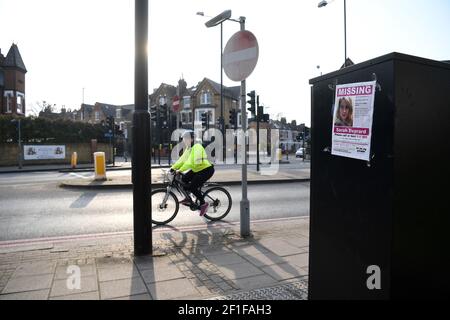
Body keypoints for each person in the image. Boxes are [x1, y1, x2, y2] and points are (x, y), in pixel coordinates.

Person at [170, 130, 214, 216]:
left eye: (186, 139)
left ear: (192, 139)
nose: (184, 141)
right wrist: (173, 168)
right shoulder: (189, 148)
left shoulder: (197, 147)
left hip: (206, 170)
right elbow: (182, 160)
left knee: (192, 187)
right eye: (184, 139)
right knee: (184, 179)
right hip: (197, 169)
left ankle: (203, 204)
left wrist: (180, 170)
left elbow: (191, 162)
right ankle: (188, 198)